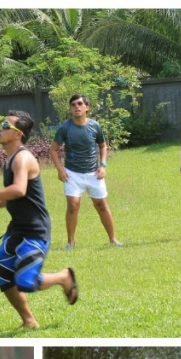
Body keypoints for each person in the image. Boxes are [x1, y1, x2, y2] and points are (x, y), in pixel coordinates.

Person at [0, 111, 77, 330]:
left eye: (5, 126)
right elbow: (16, 196)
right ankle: (29, 320)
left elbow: (18, 190)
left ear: (18, 134)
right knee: (3, 267)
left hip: (35, 230)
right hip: (17, 228)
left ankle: (64, 277)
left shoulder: (23, 158)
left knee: (26, 281)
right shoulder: (10, 159)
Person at [49, 94, 122, 249]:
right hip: (72, 174)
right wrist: (60, 169)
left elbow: (102, 146)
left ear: (87, 107)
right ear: (70, 109)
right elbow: (54, 150)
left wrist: (103, 165)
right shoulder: (64, 128)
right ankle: (70, 243)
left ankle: (113, 239)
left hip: (94, 173)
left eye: (80, 104)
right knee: (73, 205)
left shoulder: (95, 126)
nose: (77, 107)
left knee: (101, 205)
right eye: (73, 104)